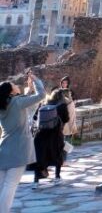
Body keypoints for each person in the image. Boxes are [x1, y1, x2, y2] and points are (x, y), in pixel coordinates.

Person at [0, 73, 45, 213]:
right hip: (19, 150)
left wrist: (29, 89)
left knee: (1, 185)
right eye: (14, 85)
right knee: (10, 185)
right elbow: (41, 95)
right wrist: (36, 79)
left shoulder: (4, 105)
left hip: (3, 148)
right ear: (11, 91)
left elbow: (28, 106)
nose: (16, 85)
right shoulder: (17, 102)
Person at [29, 88, 70, 188]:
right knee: (58, 154)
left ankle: (36, 181)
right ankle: (57, 177)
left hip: (40, 135)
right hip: (55, 135)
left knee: (40, 156)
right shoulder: (62, 105)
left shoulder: (43, 104)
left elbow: (35, 117)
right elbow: (66, 119)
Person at [59, 76, 78, 143]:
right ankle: (65, 145)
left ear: (67, 84)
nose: (64, 84)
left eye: (65, 83)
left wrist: (71, 102)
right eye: (63, 83)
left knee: (72, 125)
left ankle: (76, 142)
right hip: (62, 111)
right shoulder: (59, 91)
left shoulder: (70, 91)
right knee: (64, 128)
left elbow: (75, 100)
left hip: (70, 109)